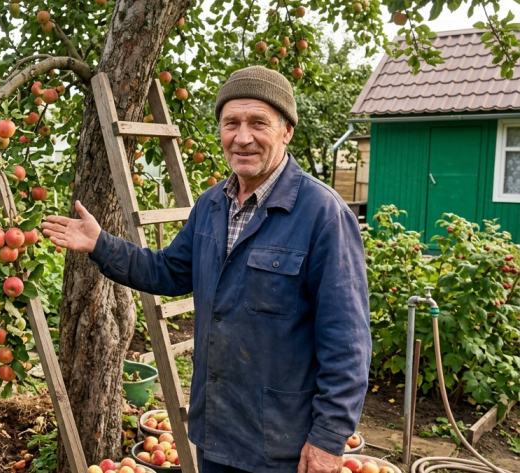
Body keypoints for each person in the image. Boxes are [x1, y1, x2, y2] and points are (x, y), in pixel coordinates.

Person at [42, 66, 371, 473]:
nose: (242, 137)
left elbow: (348, 342)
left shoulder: (322, 214)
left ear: (287, 131)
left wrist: (328, 439)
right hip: (215, 431)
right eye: (231, 123)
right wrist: (100, 244)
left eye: (258, 123)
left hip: (281, 445)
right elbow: (167, 272)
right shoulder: (213, 204)